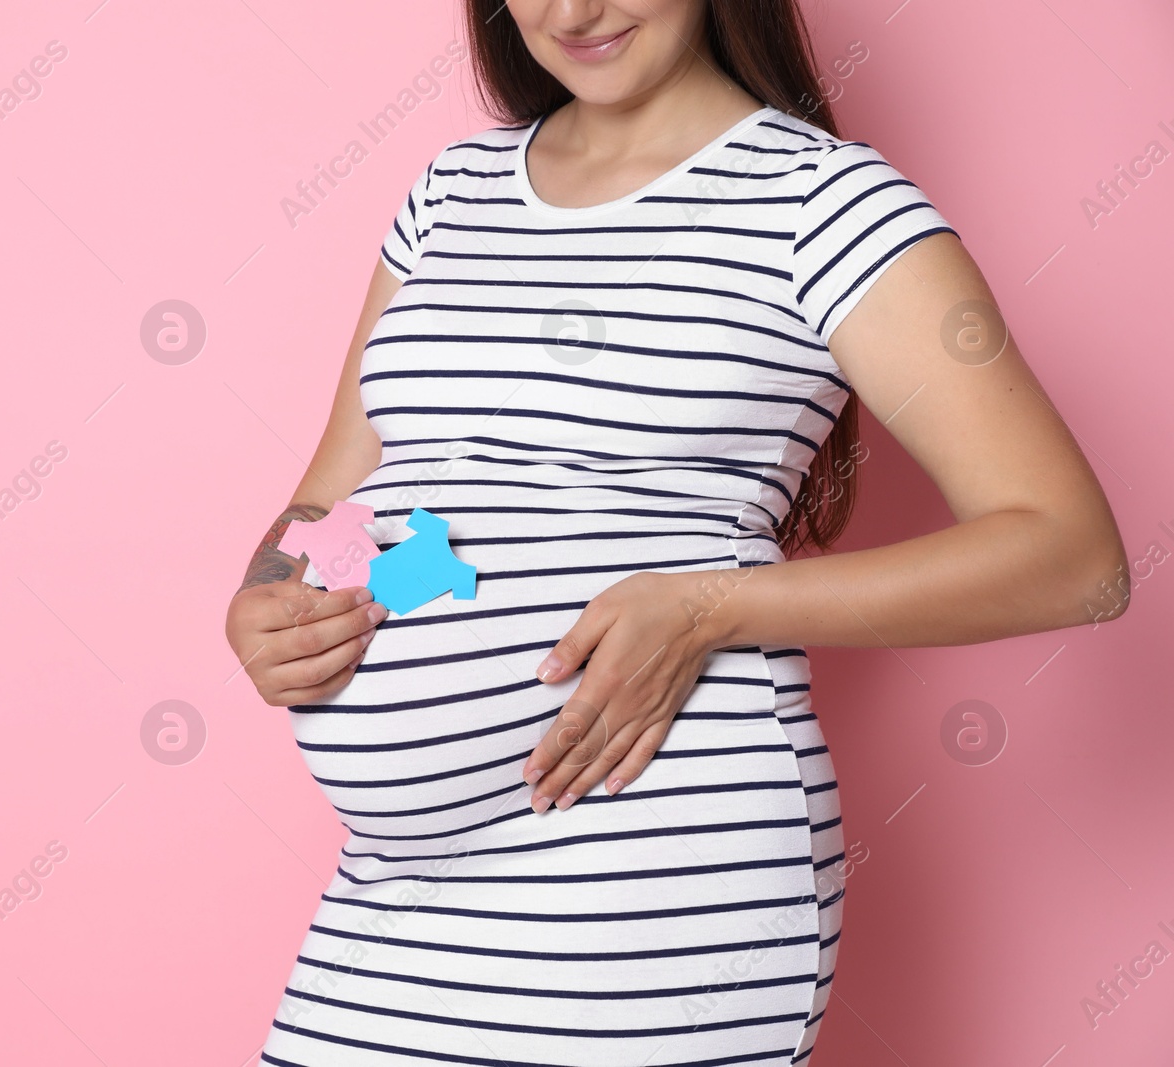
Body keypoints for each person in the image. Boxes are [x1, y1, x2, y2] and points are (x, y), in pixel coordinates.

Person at [224, 1, 1130, 1062]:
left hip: (656, 887)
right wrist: (264, 596)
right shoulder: (450, 191)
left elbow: (1072, 555)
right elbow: (336, 491)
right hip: (394, 901)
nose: (571, 12)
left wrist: (706, 607)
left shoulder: (819, 202)